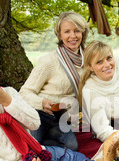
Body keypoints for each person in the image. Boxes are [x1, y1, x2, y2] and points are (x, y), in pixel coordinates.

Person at [19, 12, 90, 151]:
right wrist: (41, 103)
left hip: (62, 119)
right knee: (28, 147)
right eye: (67, 31)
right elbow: (24, 92)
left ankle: (44, 142)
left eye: (77, 30)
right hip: (39, 114)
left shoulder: (88, 59)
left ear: (83, 32)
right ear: (60, 35)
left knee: (71, 147)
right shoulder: (49, 61)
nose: (73, 36)